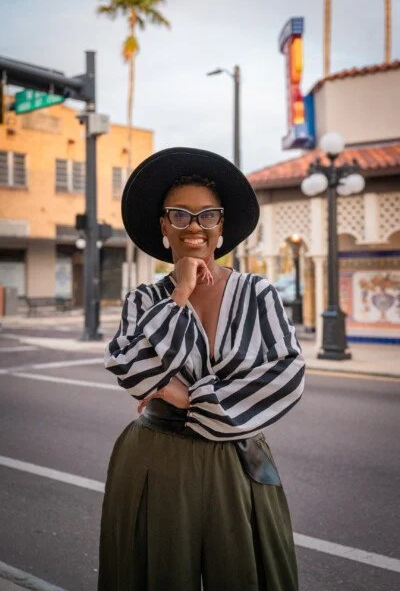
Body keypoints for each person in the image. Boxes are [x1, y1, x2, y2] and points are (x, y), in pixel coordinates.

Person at [97, 147, 305, 591]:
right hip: (154, 459)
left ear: (222, 225)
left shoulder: (257, 293)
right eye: (180, 215)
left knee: (243, 571)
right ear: (163, 226)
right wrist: (181, 292)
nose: (194, 226)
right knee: (159, 570)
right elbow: (126, 364)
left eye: (207, 215)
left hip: (237, 464)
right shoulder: (144, 299)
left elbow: (284, 375)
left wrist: (185, 396)